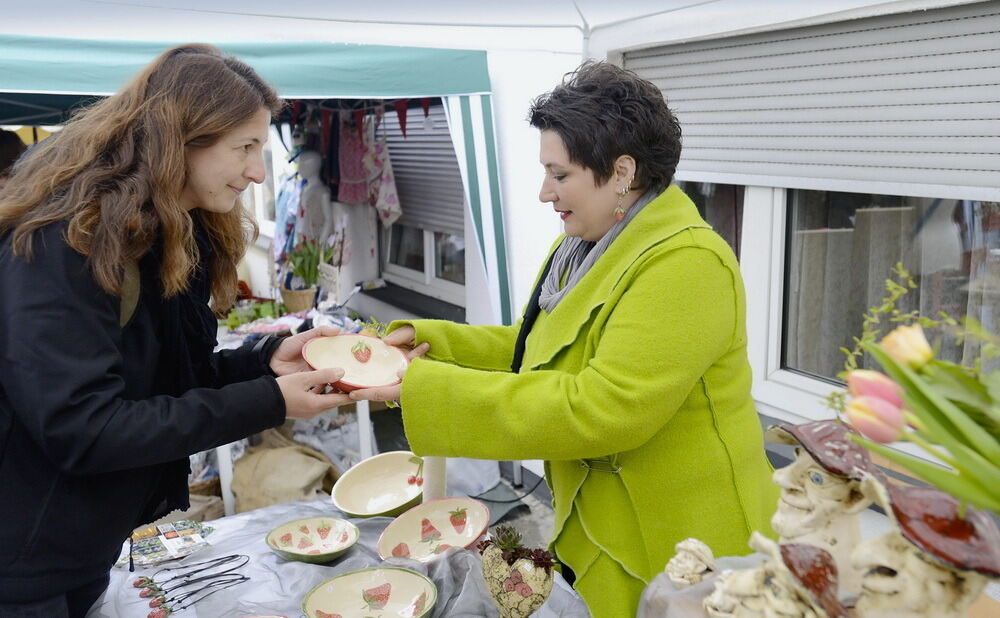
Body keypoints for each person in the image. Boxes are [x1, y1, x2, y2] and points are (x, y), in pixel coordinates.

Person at [348, 61, 779, 616]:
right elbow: (540, 348)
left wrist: (424, 387)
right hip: (598, 520)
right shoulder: (580, 247)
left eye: (560, 174)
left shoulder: (687, 263)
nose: (544, 192)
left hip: (682, 541)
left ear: (622, 172)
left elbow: (604, 408)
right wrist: (423, 339)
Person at [0, 44, 355, 616]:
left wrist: (265, 363)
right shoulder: (65, 243)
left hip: (86, 547)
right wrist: (266, 401)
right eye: (244, 148)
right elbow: (85, 427)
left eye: (260, 148)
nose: (257, 171)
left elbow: (167, 379)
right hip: (24, 567)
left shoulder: (168, 233)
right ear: (180, 140)